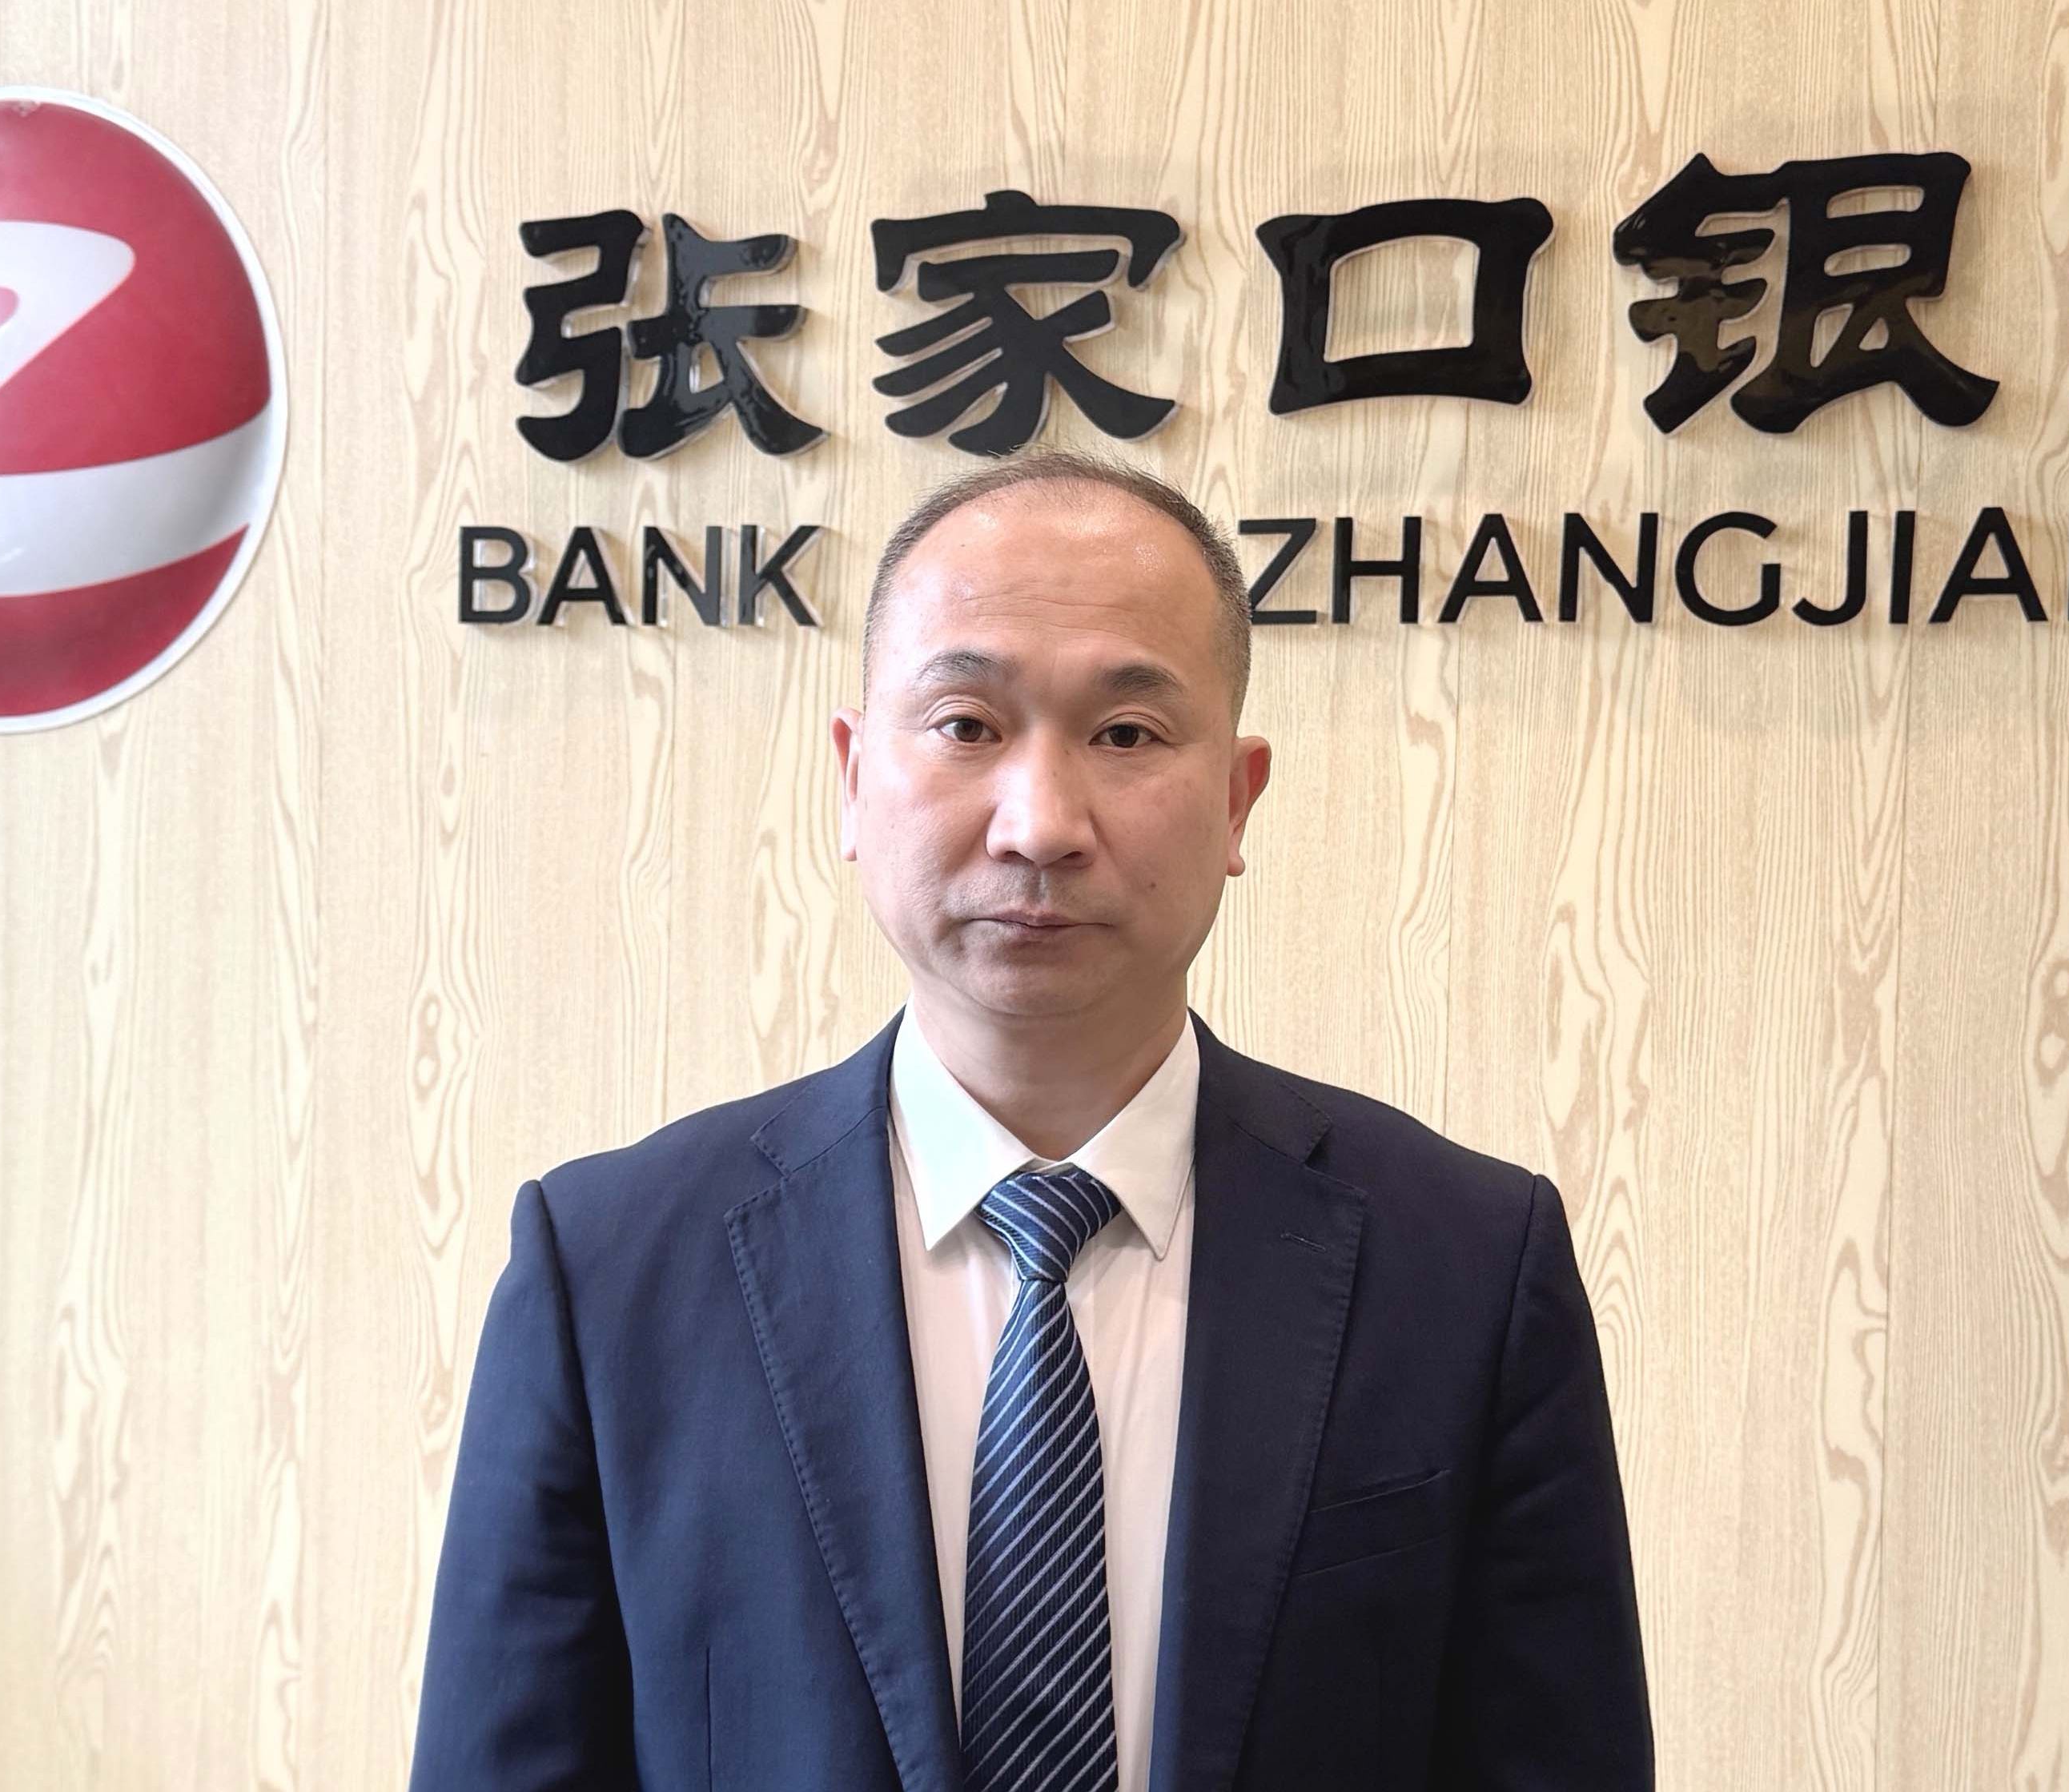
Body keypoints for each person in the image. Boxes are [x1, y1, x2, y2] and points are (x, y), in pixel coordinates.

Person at [408, 448, 1653, 1791]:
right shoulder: (608, 1269)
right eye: (965, 725)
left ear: (1238, 798)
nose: (1040, 824)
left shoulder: (1466, 1264)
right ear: (851, 776)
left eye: (1126, 735)